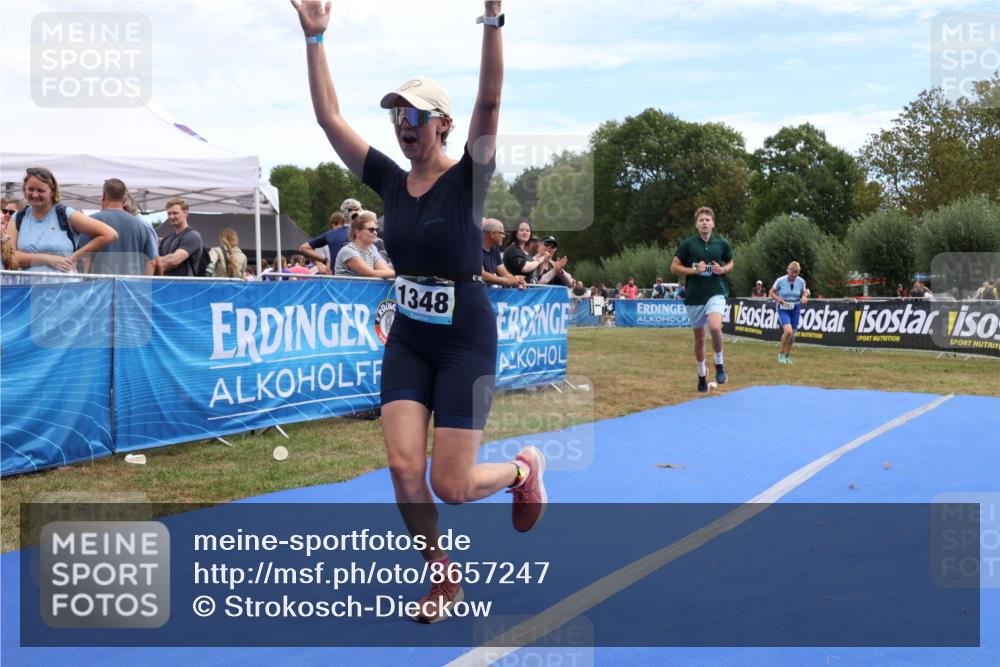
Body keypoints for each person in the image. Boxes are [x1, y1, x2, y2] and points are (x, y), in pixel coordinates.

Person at [292, 0, 544, 624]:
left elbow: (490, 102)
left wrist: (491, 21)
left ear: (441, 126)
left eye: (413, 114)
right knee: (405, 470)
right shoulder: (386, 181)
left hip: (465, 338)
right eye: (396, 114)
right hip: (408, 338)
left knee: (451, 487)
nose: (401, 123)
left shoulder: (468, 180)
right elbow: (328, 118)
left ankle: (521, 470)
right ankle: (442, 578)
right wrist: (316, 39)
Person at [670, 206, 734, 392]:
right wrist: (693, 270)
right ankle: (701, 374)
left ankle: (719, 365)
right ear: (696, 225)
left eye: (707, 220)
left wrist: (723, 270)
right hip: (694, 296)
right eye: (701, 220)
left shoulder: (721, 244)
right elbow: (674, 267)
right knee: (699, 338)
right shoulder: (688, 245)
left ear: (713, 223)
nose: (704, 223)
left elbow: (730, 262)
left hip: (716, 291)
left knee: (715, 327)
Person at [8, 167, 117, 275]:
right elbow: (10, 257)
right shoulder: (18, 217)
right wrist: (47, 259)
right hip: (28, 289)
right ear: (24, 189)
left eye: (41, 190)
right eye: (30, 189)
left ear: (52, 191)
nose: (35, 194)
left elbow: (110, 234)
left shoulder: (65, 214)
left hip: (63, 289)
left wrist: (75, 257)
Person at [78, 178, 157, 276]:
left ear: (103, 196)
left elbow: (85, 260)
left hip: (100, 287)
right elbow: (151, 262)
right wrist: (141, 286)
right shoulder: (142, 226)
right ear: (124, 200)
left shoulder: (91, 222)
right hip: (130, 288)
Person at [333, 210, 395, 279]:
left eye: (376, 230)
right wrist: (399, 274)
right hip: (346, 289)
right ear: (357, 233)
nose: (375, 233)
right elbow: (370, 273)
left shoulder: (370, 252)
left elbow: (386, 271)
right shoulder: (348, 250)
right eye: (371, 230)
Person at [769, 261, 808, 364]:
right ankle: (781, 354)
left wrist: (804, 297)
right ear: (788, 270)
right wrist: (778, 298)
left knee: (793, 335)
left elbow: (804, 292)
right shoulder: (780, 280)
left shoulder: (801, 281)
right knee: (788, 331)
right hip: (783, 308)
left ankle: (787, 355)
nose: (794, 275)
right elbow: (771, 292)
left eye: (796, 272)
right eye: (792, 272)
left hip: (795, 308)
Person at [156, 198, 204, 277]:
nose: (171, 217)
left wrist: (152, 263)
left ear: (185, 213)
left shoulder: (192, 236)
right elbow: (157, 262)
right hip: (165, 286)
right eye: (169, 214)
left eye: (175, 213)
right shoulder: (166, 239)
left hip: (184, 287)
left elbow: (173, 261)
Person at [300, 210, 349, 274]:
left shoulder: (347, 238)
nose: (345, 228)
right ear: (334, 225)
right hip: (330, 278)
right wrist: (323, 261)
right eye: (342, 224)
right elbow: (320, 265)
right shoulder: (324, 241)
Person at [481, 218, 525, 288]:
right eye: (502, 233)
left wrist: (517, 281)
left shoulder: (495, 250)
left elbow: (504, 273)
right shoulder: (474, 249)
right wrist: (508, 281)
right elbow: (482, 275)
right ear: (492, 234)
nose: (504, 236)